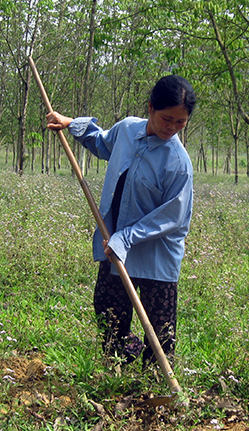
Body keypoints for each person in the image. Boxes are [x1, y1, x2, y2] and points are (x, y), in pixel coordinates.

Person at [46, 75, 196, 368]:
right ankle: (121, 368)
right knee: (108, 312)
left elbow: (173, 217)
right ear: (151, 108)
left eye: (181, 123)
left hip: (156, 254)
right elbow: (103, 143)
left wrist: (126, 238)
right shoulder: (127, 129)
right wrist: (70, 124)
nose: (172, 128)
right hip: (114, 244)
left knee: (160, 330)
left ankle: (156, 389)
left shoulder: (178, 163)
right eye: (167, 119)